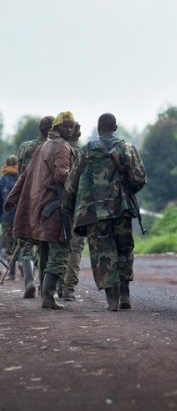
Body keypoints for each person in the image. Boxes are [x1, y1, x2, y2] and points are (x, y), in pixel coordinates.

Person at [63, 113, 146, 311]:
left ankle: (112, 301)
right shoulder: (127, 148)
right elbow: (139, 178)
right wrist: (125, 192)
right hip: (122, 210)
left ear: (98, 128)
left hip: (95, 213)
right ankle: (125, 294)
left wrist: (67, 207)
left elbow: (72, 183)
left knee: (103, 254)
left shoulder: (87, 151)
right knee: (124, 250)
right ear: (115, 128)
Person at [5, 112, 76, 309]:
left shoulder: (44, 146)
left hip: (40, 208)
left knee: (45, 251)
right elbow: (62, 176)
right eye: (66, 126)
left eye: (71, 126)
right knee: (59, 252)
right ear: (57, 127)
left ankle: (46, 297)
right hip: (56, 207)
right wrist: (78, 175)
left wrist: (12, 198)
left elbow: (25, 174)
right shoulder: (62, 147)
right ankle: (49, 296)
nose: (69, 130)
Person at [16, 115, 54, 298]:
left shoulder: (25, 147)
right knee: (45, 244)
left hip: (27, 199)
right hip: (47, 201)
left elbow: (20, 175)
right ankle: (44, 287)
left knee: (26, 243)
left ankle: (29, 280)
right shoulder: (55, 148)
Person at [60, 123, 86, 301]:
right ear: (79, 135)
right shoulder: (84, 154)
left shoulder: (58, 151)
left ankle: (55, 285)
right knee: (76, 248)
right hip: (79, 207)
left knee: (59, 247)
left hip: (58, 205)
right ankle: (68, 289)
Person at [0, 155, 19, 281]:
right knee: (20, 243)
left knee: (8, 245)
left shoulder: (3, 180)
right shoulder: (20, 177)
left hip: (6, 218)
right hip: (20, 218)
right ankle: (24, 267)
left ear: (6, 164)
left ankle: (12, 272)